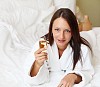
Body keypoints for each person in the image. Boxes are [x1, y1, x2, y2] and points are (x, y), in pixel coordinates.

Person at [24, 8, 94, 87]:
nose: (61, 36)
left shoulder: (83, 49)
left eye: (67, 30)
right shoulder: (41, 45)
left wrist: (73, 76)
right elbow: (30, 78)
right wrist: (37, 64)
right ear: (51, 29)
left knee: (87, 30)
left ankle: (85, 22)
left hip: (86, 37)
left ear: (73, 31)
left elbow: (88, 72)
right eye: (57, 29)